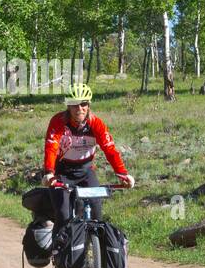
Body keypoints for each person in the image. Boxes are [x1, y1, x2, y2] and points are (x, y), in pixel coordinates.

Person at [42, 82, 135, 225]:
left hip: (85, 171)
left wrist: (122, 174)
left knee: (96, 211)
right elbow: (51, 147)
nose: (79, 109)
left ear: (88, 105)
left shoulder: (96, 123)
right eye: (74, 104)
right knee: (63, 215)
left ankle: (93, 243)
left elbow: (110, 150)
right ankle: (58, 247)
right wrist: (49, 172)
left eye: (83, 104)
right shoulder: (58, 121)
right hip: (62, 172)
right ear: (68, 106)